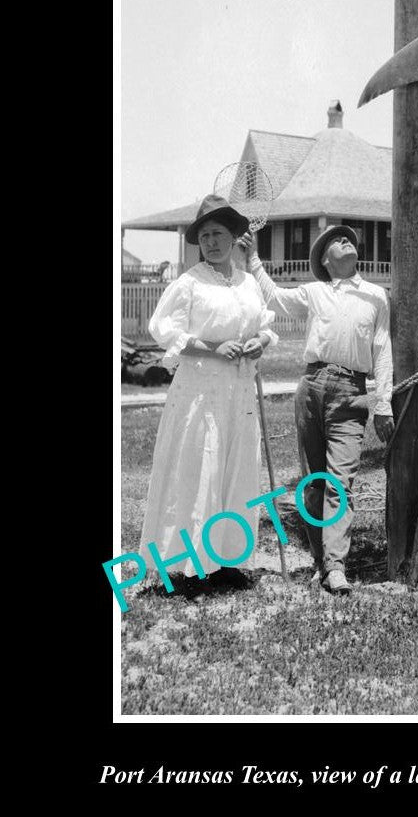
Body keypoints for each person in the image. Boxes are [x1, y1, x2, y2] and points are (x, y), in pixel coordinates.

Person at [240, 226, 393, 596]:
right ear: (325, 260)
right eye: (337, 241)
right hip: (311, 388)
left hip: (351, 393)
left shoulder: (376, 296)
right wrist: (253, 259)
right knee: (312, 485)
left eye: (350, 239)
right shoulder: (314, 291)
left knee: (340, 483)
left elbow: (382, 348)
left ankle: (337, 567)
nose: (347, 242)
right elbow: (274, 298)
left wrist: (384, 402)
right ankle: (320, 562)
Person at [140, 194, 278, 591]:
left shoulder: (248, 282)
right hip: (201, 392)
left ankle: (228, 560)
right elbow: (163, 329)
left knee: (235, 470)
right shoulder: (189, 283)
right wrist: (210, 347)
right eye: (205, 236)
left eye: (219, 234)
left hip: (239, 392)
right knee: (200, 469)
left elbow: (264, 323)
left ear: (235, 238)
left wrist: (261, 341)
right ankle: (188, 566)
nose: (212, 242)